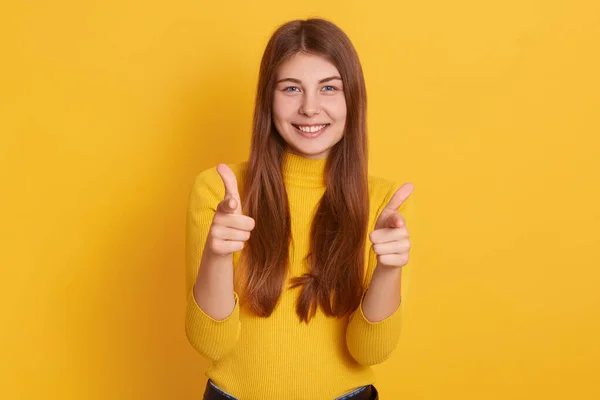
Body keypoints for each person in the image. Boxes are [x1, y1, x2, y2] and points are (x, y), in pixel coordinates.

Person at [185, 18, 415, 400]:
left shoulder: (386, 204)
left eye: (329, 88)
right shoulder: (218, 191)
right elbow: (211, 344)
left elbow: (371, 352)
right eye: (291, 88)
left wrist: (389, 270)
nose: (310, 108)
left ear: (351, 99)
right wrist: (215, 256)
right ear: (268, 100)